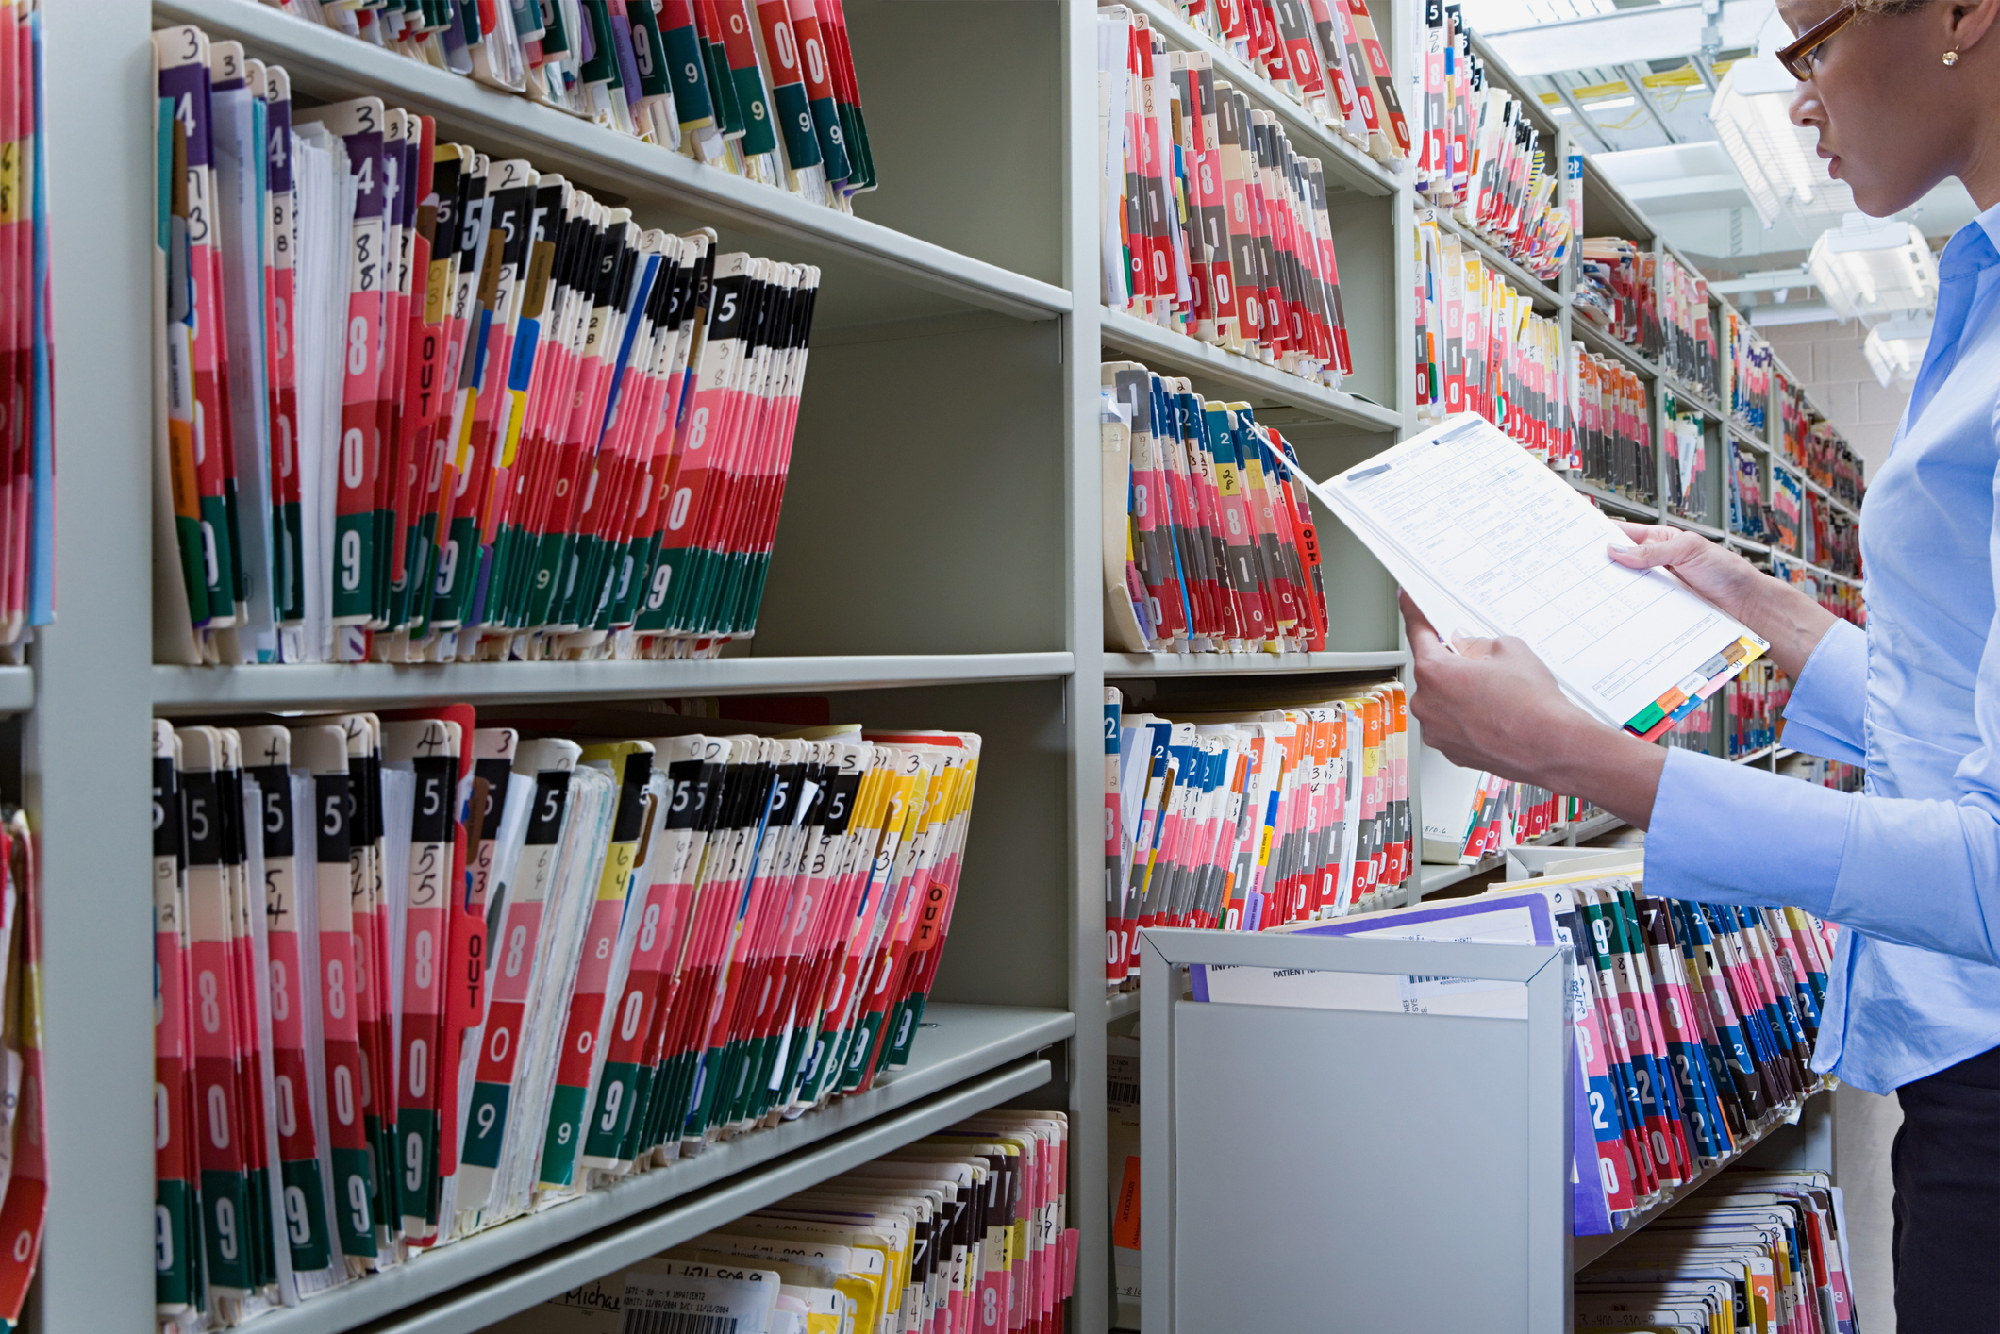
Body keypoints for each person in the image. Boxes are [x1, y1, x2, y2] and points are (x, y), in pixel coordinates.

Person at [1401, 0, 2000, 1323]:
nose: (1799, 102)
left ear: (1960, 15)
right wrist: (1763, 615)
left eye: (1812, 42)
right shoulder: (1982, 283)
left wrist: (1589, 760)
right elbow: (1963, 710)